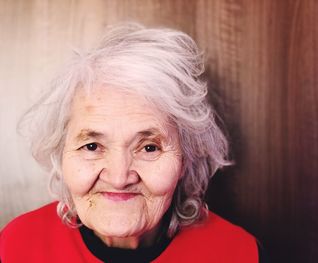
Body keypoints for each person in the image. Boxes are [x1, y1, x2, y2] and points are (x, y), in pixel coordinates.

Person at [0, 23, 259, 262]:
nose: (119, 177)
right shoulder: (15, 247)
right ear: (61, 155)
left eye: (149, 147)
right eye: (92, 146)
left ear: (185, 159)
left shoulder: (240, 253)